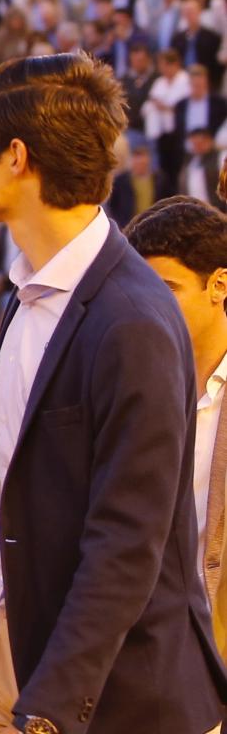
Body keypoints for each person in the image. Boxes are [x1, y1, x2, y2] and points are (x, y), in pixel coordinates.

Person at [0, 52, 227, 734]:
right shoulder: (37, 288)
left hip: (107, 682)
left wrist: (54, 706)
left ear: (17, 158)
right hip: (2, 641)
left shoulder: (132, 319)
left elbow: (127, 540)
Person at [124, 197, 227, 658]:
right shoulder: (128, 385)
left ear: (219, 285)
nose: (149, 307)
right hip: (149, 653)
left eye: (167, 289)